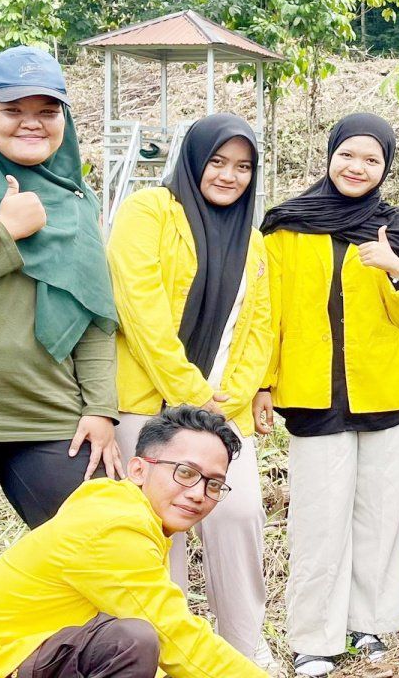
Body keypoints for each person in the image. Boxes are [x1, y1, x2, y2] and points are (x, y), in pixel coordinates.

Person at [0, 46, 120, 628]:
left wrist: (102, 410)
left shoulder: (76, 198)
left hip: (49, 418)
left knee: (96, 554)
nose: (32, 122)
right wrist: (4, 233)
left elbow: (92, 314)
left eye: (48, 109)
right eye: (14, 107)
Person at [259, 112, 399, 677]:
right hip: (314, 393)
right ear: (330, 153)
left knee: (381, 515)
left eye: (372, 159)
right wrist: (263, 382)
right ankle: (314, 636)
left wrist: (396, 272)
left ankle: (372, 621)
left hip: (387, 387)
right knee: (317, 517)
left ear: (385, 166)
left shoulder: (397, 229)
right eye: (348, 155)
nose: (358, 167)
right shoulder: (287, 224)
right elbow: (269, 313)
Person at [105, 113, 275, 670]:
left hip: (220, 416)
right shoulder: (148, 212)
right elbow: (141, 311)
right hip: (151, 404)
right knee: (161, 529)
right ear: (194, 159)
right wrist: (190, 394)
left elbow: (260, 328)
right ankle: (163, 651)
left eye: (243, 167)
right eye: (218, 162)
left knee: (238, 514)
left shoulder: (252, 242)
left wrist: (230, 398)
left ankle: (242, 650)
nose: (229, 176)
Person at [0, 405, 270, 678]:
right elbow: (178, 641)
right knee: (130, 643)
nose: (198, 493)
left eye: (213, 484)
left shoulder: (128, 514)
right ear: (137, 470)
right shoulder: (114, 528)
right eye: (185, 472)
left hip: (7, 660)